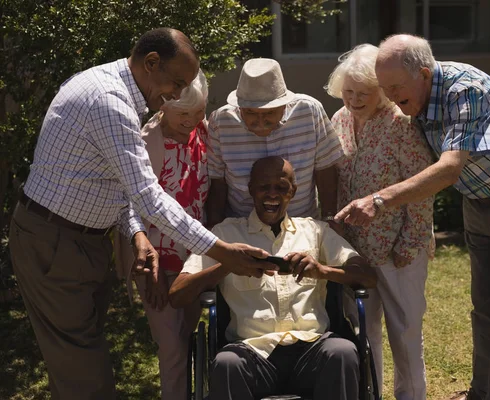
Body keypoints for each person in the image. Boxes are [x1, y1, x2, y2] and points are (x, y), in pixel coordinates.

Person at [9, 28, 272, 400]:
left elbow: (112, 184)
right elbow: (149, 196)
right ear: (151, 63)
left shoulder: (113, 90)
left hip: (78, 242)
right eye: (176, 82)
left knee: (74, 368)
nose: (178, 95)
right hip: (55, 243)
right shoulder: (109, 102)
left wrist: (136, 234)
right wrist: (221, 250)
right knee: (87, 377)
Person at [335, 34, 490, 400]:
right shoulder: (414, 101)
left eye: (395, 88)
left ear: (424, 73)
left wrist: (379, 199)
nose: (389, 96)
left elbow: (449, 169)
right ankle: (480, 390)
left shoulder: (466, 91)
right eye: (385, 88)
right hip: (480, 200)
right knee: (484, 308)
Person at [169, 156, 377, 400]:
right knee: (226, 363)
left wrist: (322, 271)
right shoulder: (225, 234)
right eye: (263, 187)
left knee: (342, 352)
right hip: (251, 351)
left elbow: (368, 277)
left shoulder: (316, 231)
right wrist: (228, 264)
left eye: (281, 187)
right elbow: (177, 294)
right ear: (250, 190)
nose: (272, 194)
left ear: (293, 192)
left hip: (313, 348)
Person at [325, 43, 434, 400]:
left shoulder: (401, 124)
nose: (354, 100)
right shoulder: (338, 120)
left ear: (382, 93)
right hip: (354, 250)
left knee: (404, 334)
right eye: (348, 91)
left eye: (365, 93)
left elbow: (422, 188)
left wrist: (410, 244)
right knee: (361, 331)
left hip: (398, 247)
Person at [113, 69, 210, 400]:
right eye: (184, 113)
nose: (191, 120)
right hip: (155, 260)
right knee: (171, 346)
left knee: (189, 337)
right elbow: (127, 205)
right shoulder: (145, 142)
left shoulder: (204, 135)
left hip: (193, 259)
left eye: (198, 112)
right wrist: (147, 269)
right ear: (164, 106)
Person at [206, 58, 344, 233]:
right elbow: (218, 181)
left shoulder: (310, 111)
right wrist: (215, 226)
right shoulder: (221, 121)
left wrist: (329, 217)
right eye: (250, 113)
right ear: (239, 107)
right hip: (242, 228)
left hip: (302, 226)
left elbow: (325, 169)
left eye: (270, 113)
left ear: (284, 105)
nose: (260, 121)